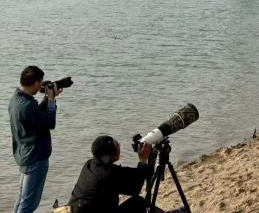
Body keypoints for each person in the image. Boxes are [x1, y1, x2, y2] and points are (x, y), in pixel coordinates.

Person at [8, 65, 61, 213]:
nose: (41, 86)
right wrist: (51, 100)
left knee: (22, 199)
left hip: (25, 155)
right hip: (35, 158)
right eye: (41, 83)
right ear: (37, 83)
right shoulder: (27, 105)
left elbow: (36, 117)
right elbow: (50, 122)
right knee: (29, 204)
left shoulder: (16, 100)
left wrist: (48, 98)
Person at [68, 135, 154, 213]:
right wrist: (143, 160)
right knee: (139, 203)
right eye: (117, 145)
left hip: (75, 209)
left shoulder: (89, 164)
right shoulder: (109, 174)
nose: (119, 145)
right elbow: (135, 187)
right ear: (111, 154)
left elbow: (123, 174)